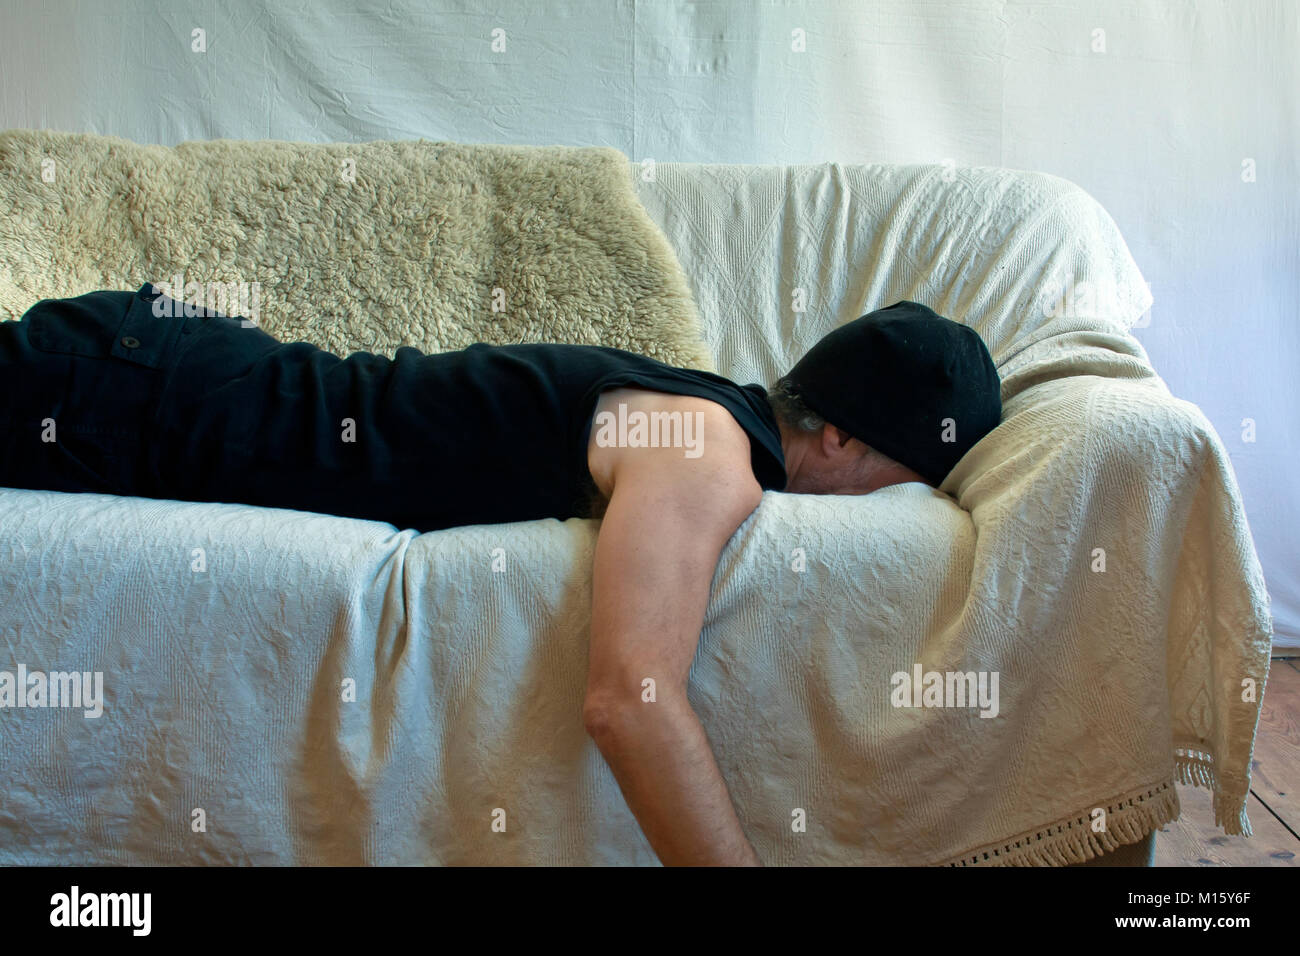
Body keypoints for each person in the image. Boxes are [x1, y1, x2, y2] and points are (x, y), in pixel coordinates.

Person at [0, 282, 1002, 866]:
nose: (887, 521)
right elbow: (630, 700)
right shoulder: (703, 447)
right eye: (900, 490)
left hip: (167, 379)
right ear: (837, 436)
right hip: (138, 398)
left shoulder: (697, 414)